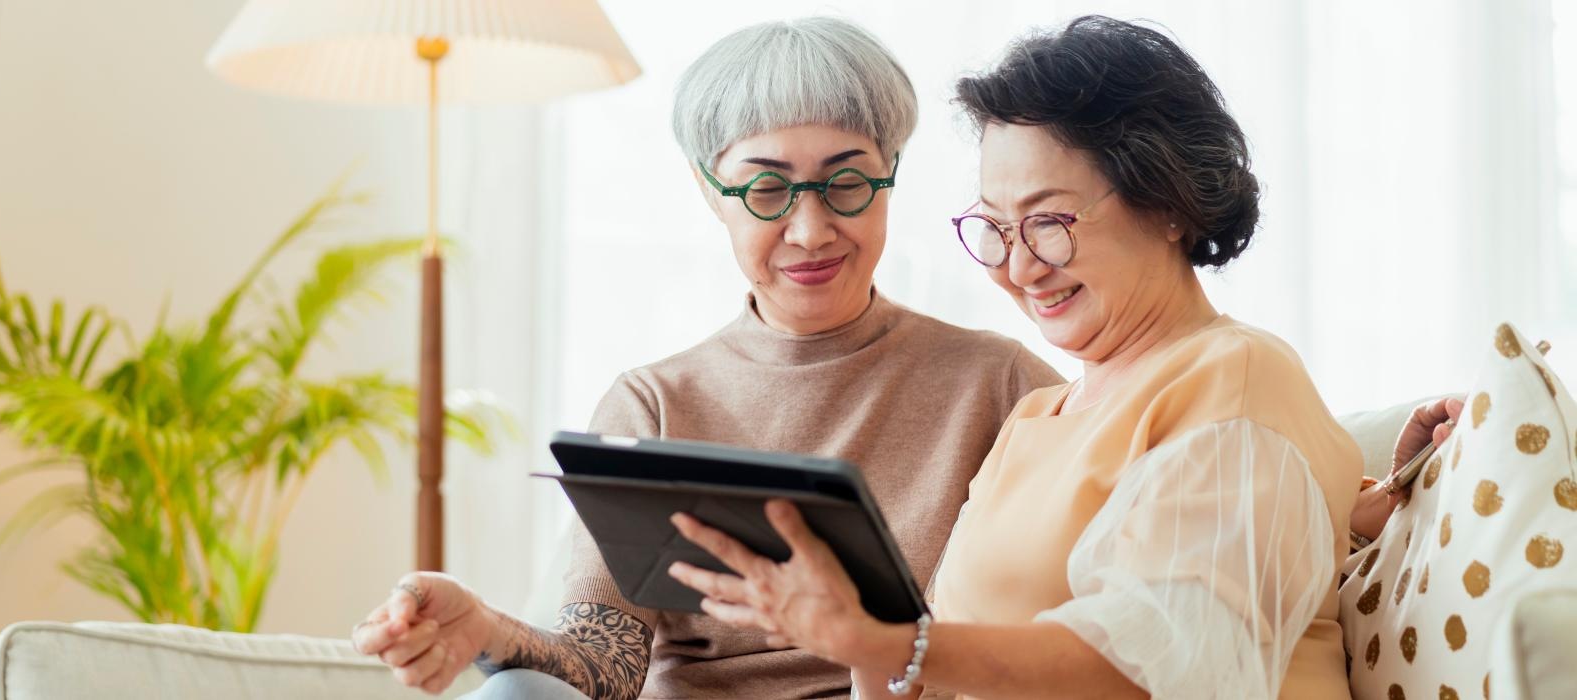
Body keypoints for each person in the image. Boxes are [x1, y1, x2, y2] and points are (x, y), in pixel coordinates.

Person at [665, 16, 1438, 699]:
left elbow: (1156, 662)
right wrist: (860, 630)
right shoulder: (1040, 414)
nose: (1020, 267)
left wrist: (876, 641)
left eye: (1047, 223)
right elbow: (922, 675)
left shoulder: (1231, 374)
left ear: (1164, 204)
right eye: (996, 229)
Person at [350, 17, 1062, 699]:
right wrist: (487, 628)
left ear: (891, 174)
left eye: (846, 183)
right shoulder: (655, 402)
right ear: (709, 191)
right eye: (766, 189)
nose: (811, 231)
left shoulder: (999, 386)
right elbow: (607, 666)